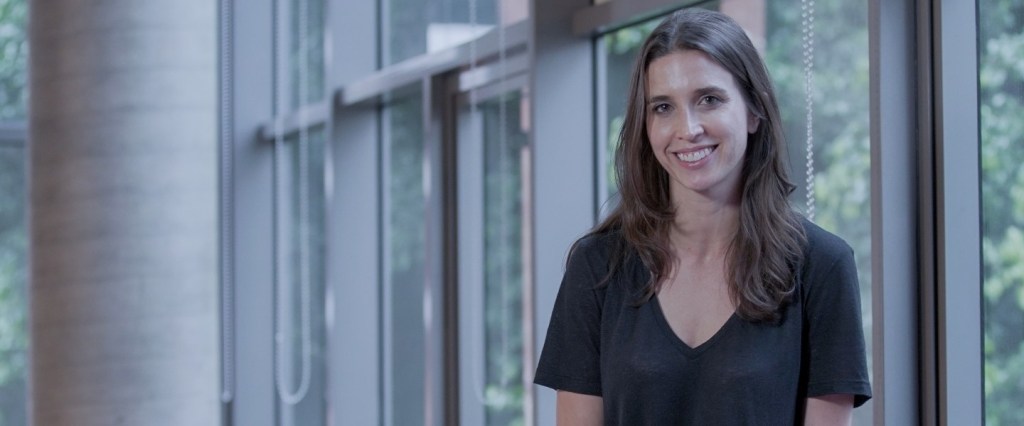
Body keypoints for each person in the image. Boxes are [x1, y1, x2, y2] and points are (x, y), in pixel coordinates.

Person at [533, 8, 871, 425]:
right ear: (645, 125)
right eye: (663, 108)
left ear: (753, 111)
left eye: (708, 99)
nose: (687, 128)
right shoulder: (598, 265)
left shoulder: (822, 266)